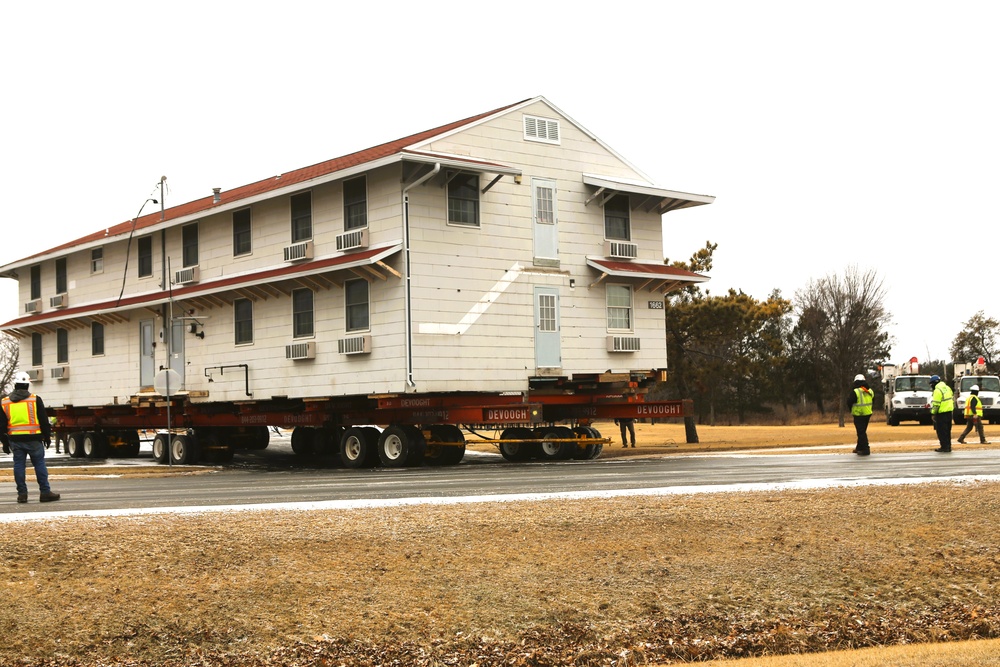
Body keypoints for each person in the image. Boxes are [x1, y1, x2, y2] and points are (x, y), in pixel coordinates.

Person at [1, 371, 60, 503]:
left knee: (19, 466)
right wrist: (47, 436)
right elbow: (43, 420)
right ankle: (45, 492)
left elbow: (2, 425)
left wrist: (4, 443)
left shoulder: (5, 402)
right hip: (34, 439)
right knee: (39, 464)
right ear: (27, 385)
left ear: (15, 384)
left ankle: (22, 494)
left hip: (15, 440)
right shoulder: (35, 399)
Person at [848, 373, 874, 456]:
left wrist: (851, 409)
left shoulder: (856, 391)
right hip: (868, 413)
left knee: (861, 432)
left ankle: (866, 449)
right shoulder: (870, 391)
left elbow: (849, 401)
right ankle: (859, 447)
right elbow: (873, 400)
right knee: (862, 431)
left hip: (859, 414)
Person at [930, 374, 955, 453]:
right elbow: (951, 396)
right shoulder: (947, 388)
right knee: (948, 431)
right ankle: (948, 446)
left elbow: (936, 404)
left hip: (941, 414)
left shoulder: (937, 390)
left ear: (933, 383)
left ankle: (944, 447)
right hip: (949, 412)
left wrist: (933, 413)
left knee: (941, 431)